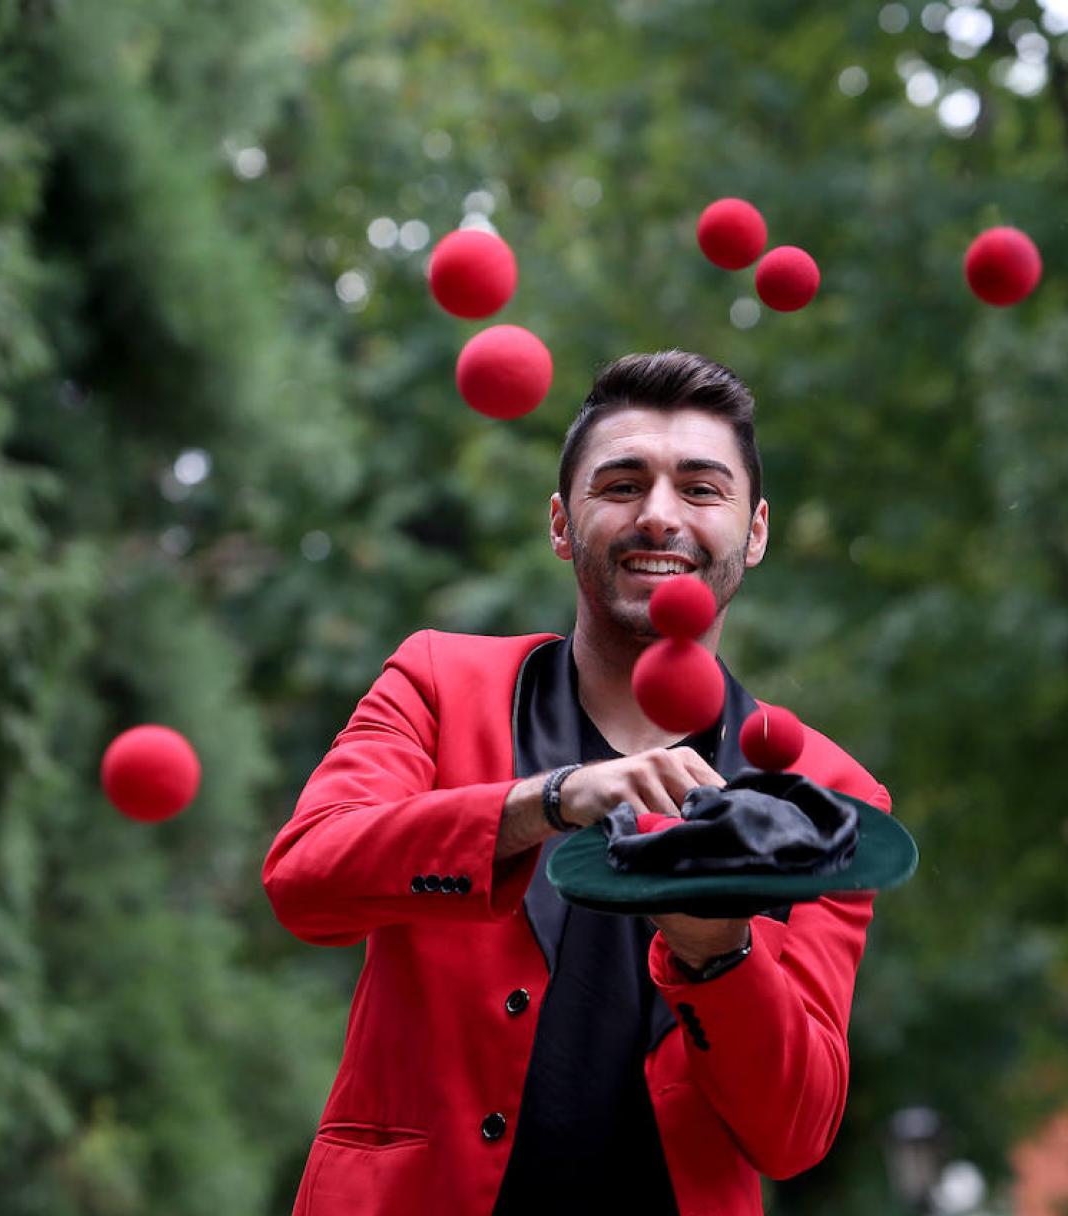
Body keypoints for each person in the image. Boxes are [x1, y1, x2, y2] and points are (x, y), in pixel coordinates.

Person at [263, 350, 894, 1215]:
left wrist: (719, 954)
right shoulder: (439, 681)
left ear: (754, 533)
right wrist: (548, 799)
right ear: (562, 523)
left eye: (702, 490)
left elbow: (795, 1131)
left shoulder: (824, 789)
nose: (660, 516)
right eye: (623, 484)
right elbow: (305, 880)